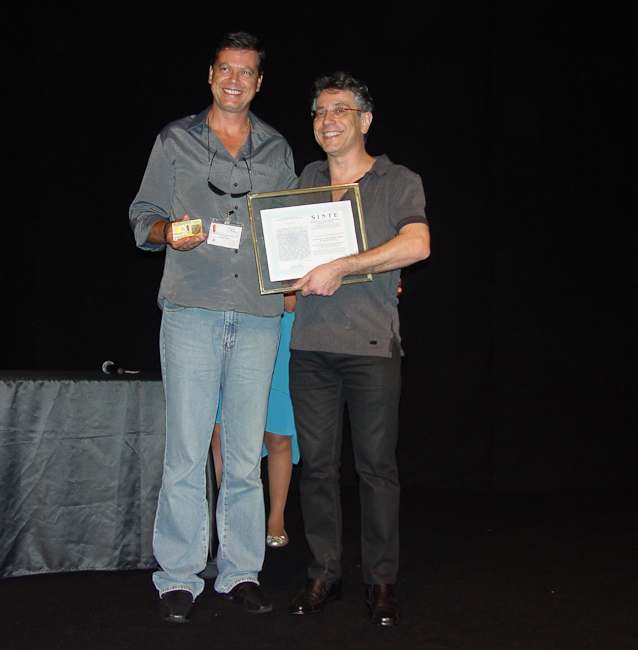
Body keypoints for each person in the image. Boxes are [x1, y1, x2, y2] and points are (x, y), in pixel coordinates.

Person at [128, 32, 297, 623]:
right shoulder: (174, 139)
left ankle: (241, 571)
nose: (234, 80)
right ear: (210, 75)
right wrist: (166, 232)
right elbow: (142, 215)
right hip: (191, 310)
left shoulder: (277, 148)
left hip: (258, 315)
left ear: (258, 83)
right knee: (186, 452)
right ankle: (178, 575)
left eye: (245, 72)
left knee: (245, 456)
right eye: (225, 69)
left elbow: (292, 227)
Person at [286, 73, 431, 627]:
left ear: (364, 120)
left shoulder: (398, 180)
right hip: (310, 348)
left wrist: (342, 266)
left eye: (340, 110)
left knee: (376, 469)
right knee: (317, 469)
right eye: (320, 111)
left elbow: (418, 244)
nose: (328, 121)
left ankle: (381, 580)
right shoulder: (304, 179)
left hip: (371, 347)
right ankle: (324, 573)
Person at [211, 292, 298, 547]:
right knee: (219, 432)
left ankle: (276, 519)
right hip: (232, 326)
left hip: (278, 331)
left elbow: (290, 303)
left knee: (277, 435)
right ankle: (218, 515)